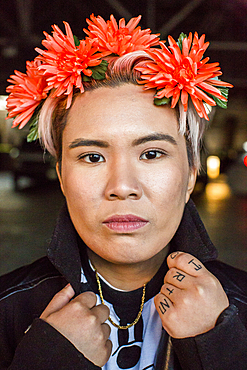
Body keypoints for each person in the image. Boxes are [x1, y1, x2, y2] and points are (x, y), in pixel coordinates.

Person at [1, 14, 247, 370]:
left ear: (191, 174)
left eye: (151, 154)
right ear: (62, 176)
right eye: (92, 156)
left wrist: (220, 346)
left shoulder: (238, 305)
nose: (122, 187)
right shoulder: (8, 309)